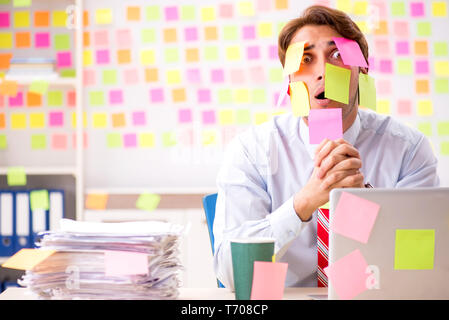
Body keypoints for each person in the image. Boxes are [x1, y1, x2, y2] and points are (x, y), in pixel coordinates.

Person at [213, 5, 440, 289]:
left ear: (362, 68)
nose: (322, 71)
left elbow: (421, 268)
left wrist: (367, 211)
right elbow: (232, 275)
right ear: (290, 80)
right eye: (306, 59)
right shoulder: (253, 150)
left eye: (337, 55)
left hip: (372, 295)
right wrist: (302, 204)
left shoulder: (407, 149)